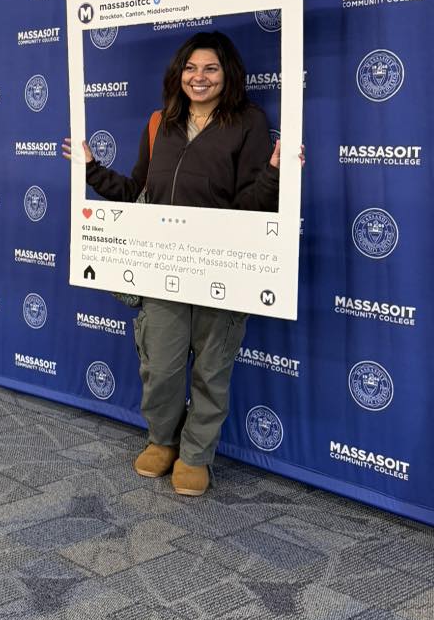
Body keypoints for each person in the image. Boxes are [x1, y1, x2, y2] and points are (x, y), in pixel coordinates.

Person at [63, 30, 293, 498]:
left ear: (227, 74)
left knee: (212, 368)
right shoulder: (160, 122)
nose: (199, 77)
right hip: (162, 268)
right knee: (161, 367)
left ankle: (195, 455)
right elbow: (137, 192)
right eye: (191, 68)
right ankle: (162, 441)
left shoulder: (249, 122)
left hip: (222, 266)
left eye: (210, 68)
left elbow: (250, 204)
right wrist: (91, 168)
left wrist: (275, 174)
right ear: (179, 74)